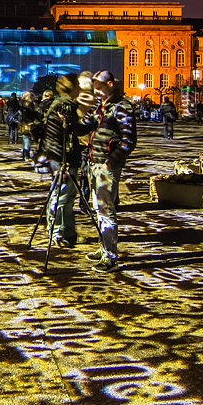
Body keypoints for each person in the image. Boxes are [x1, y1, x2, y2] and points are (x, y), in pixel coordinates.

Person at [80, 71, 137, 272]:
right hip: (95, 163)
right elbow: (85, 126)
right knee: (98, 208)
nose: (95, 90)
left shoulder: (122, 107)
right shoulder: (101, 106)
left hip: (106, 166)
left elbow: (129, 140)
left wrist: (110, 163)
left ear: (110, 84)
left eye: (99, 86)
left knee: (106, 209)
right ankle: (103, 247)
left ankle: (110, 256)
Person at [39, 75, 87, 249]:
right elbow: (72, 130)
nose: (80, 90)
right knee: (62, 196)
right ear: (71, 87)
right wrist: (92, 125)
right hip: (64, 160)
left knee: (66, 197)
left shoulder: (60, 105)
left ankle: (67, 231)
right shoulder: (65, 106)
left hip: (63, 158)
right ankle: (58, 231)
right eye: (78, 87)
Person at [18, 91, 39, 161]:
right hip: (29, 123)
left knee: (25, 139)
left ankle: (25, 154)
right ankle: (26, 155)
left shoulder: (20, 103)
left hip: (22, 123)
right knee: (27, 139)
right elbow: (33, 113)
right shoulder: (30, 104)